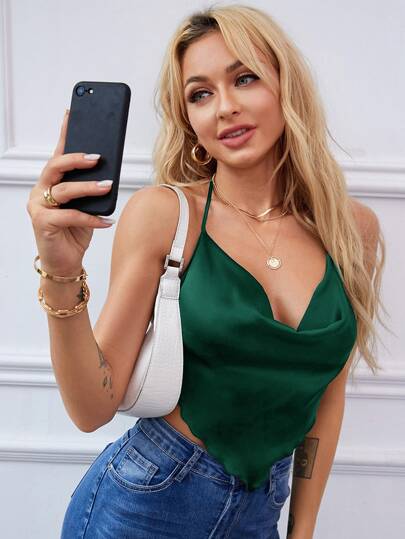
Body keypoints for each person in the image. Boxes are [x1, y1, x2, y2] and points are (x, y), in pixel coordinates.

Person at [27, 4, 387, 538]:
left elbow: (327, 394)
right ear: (189, 121)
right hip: (145, 504)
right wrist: (60, 271)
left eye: (245, 78)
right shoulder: (166, 215)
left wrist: (303, 528)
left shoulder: (351, 230)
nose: (225, 107)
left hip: (261, 511)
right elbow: (91, 408)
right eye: (200, 94)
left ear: (287, 87)